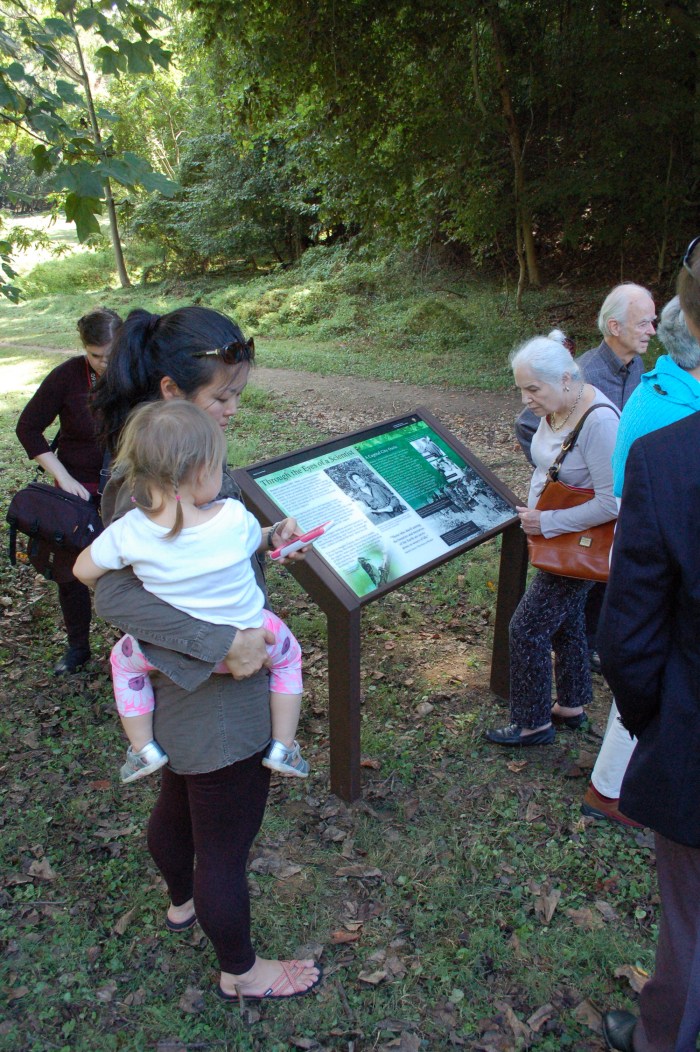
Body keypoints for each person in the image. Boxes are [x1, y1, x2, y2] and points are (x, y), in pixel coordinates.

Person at [89, 306, 322, 1002]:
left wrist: (269, 544)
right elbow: (114, 595)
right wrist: (223, 645)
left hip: (191, 687)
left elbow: (198, 569)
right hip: (214, 694)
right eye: (222, 396)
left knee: (180, 801)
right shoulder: (143, 490)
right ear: (172, 391)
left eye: (237, 395)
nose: (232, 409)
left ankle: (182, 902)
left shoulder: (177, 466)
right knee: (224, 843)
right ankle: (241, 971)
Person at [74, 400, 308, 784]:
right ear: (202, 473)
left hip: (176, 653)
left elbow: (82, 570)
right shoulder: (233, 516)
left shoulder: (129, 531)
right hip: (255, 638)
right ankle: (284, 746)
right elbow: (253, 541)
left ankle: (142, 749)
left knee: (124, 662)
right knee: (289, 657)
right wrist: (276, 536)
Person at [599, 411, 700, 1052]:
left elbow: (628, 638)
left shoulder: (670, 458)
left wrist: (656, 726)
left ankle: (662, 1040)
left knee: (691, 922)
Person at [582, 296, 700, 827]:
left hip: (641, 538)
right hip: (655, 548)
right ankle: (608, 787)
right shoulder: (681, 407)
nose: (647, 330)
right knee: (652, 658)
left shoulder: (655, 384)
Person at [485, 330, 619, 747]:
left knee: (527, 629)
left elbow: (612, 502)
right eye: (521, 389)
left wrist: (547, 522)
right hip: (556, 535)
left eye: (532, 389)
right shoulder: (557, 406)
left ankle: (532, 723)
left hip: (577, 543)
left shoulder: (599, 421)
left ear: (564, 378)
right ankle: (573, 704)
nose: (526, 399)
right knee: (568, 619)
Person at [15, 306, 122, 675]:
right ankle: (78, 647)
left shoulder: (138, 373)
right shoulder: (67, 376)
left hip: (125, 488)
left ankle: (136, 644)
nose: (104, 364)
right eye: (95, 356)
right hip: (75, 489)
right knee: (70, 570)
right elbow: (28, 428)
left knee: (130, 567)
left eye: (111, 355)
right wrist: (64, 477)